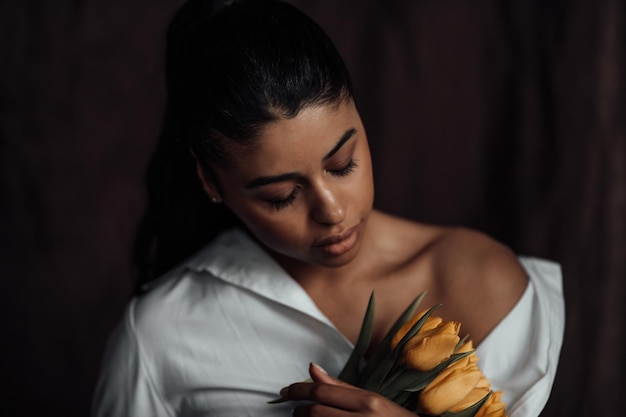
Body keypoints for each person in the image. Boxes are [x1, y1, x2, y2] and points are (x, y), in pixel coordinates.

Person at [91, 0, 565, 416]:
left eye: (342, 164)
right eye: (282, 197)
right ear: (211, 181)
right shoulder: (159, 338)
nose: (333, 211)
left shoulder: (478, 280)